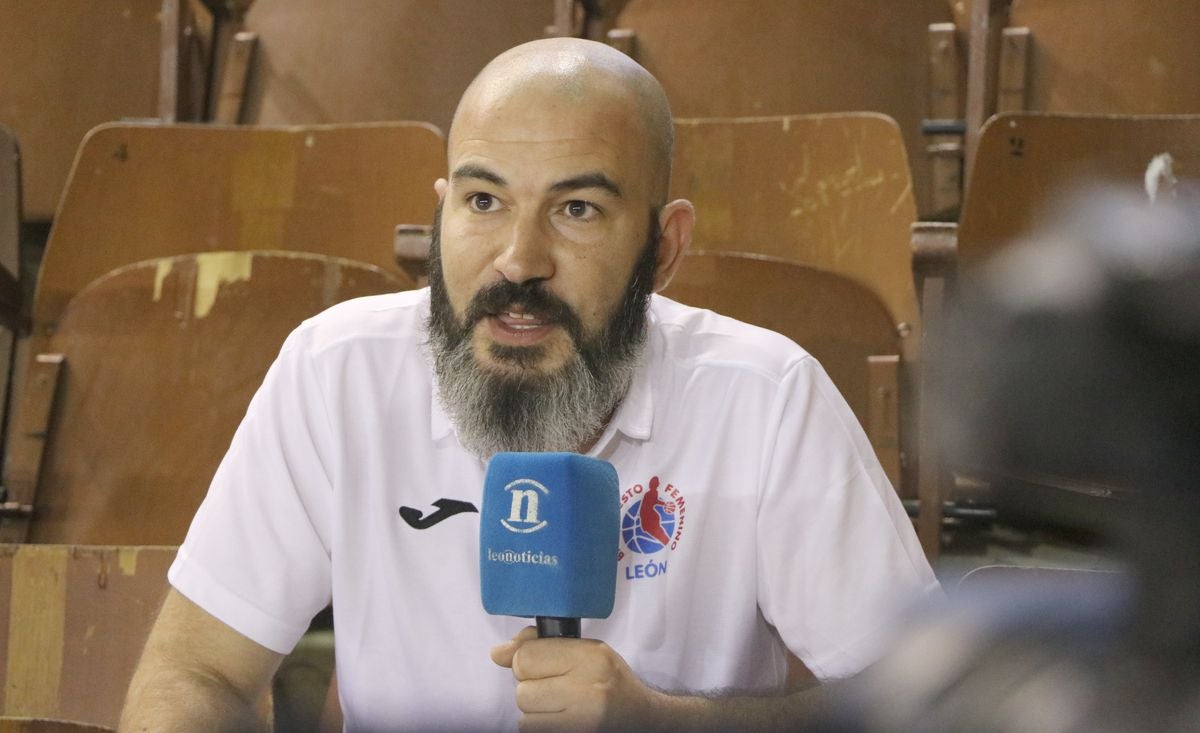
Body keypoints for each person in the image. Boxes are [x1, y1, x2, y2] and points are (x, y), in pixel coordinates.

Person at [119, 38, 937, 732]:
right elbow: (196, 669)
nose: (518, 259)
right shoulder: (336, 370)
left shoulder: (767, 397)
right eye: (483, 201)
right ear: (439, 217)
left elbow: (924, 702)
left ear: (663, 246)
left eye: (577, 209)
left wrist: (661, 720)